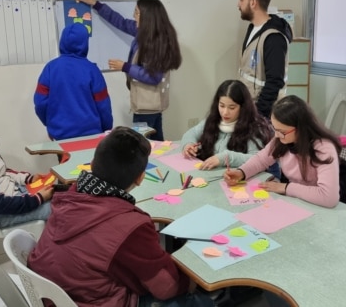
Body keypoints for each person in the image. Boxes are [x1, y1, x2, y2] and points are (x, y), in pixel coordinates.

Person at [28, 127, 214, 307]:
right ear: (140, 178)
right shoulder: (131, 226)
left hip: (53, 295)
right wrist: (191, 281)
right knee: (200, 300)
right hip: (91, 300)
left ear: (92, 164)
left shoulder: (69, 196)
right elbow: (166, 288)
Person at [76, 0, 182, 141]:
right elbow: (121, 22)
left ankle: (149, 165)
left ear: (148, 18)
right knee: (156, 143)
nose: (134, 16)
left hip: (147, 107)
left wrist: (125, 66)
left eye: (137, 13)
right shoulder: (144, 33)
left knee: (140, 146)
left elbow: (153, 77)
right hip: (149, 105)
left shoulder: (156, 43)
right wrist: (96, 4)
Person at [224, 95, 345, 208]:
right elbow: (261, 160)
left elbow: (329, 197)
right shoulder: (282, 139)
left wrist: (286, 188)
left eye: (282, 131)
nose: (276, 135)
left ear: (300, 128)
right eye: (274, 128)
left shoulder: (324, 148)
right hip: (298, 202)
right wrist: (241, 172)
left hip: (319, 206)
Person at [34, 23, 113, 141]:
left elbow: (40, 102)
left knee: (66, 160)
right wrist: (107, 128)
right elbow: (103, 105)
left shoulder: (50, 68)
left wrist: (50, 124)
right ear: (85, 43)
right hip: (91, 135)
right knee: (90, 160)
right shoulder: (92, 70)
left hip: (60, 134)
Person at [181, 80, 272, 170]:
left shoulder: (254, 127)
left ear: (243, 107)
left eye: (232, 108)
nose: (225, 113)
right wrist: (188, 145)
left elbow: (257, 160)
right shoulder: (213, 120)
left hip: (237, 179)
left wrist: (225, 158)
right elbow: (192, 133)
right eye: (222, 106)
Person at [237, 0, 293, 119]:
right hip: (249, 107)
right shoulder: (253, 29)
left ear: (253, 2)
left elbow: (274, 82)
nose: (238, 4)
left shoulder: (274, 38)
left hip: (264, 115)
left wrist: (258, 115)